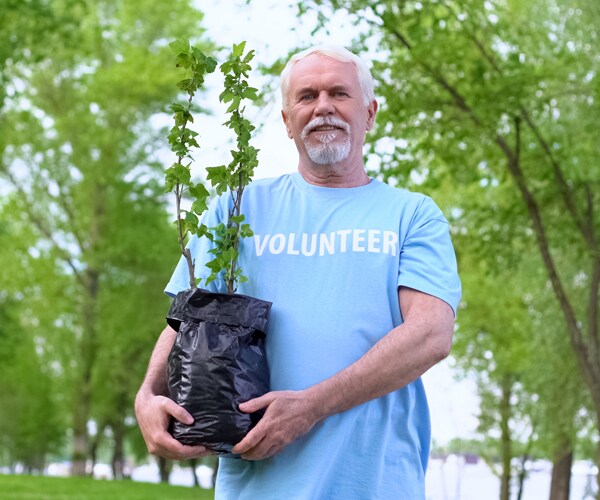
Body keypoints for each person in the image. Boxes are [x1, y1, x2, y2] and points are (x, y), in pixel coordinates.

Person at [135, 44, 461, 499]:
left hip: (374, 484)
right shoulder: (235, 210)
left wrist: (311, 406)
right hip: (257, 485)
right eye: (306, 96)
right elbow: (186, 319)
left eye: (339, 94)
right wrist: (148, 395)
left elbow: (431, 335)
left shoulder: (412, 216)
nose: (323, 106)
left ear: (369, 113)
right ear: (287, 122)